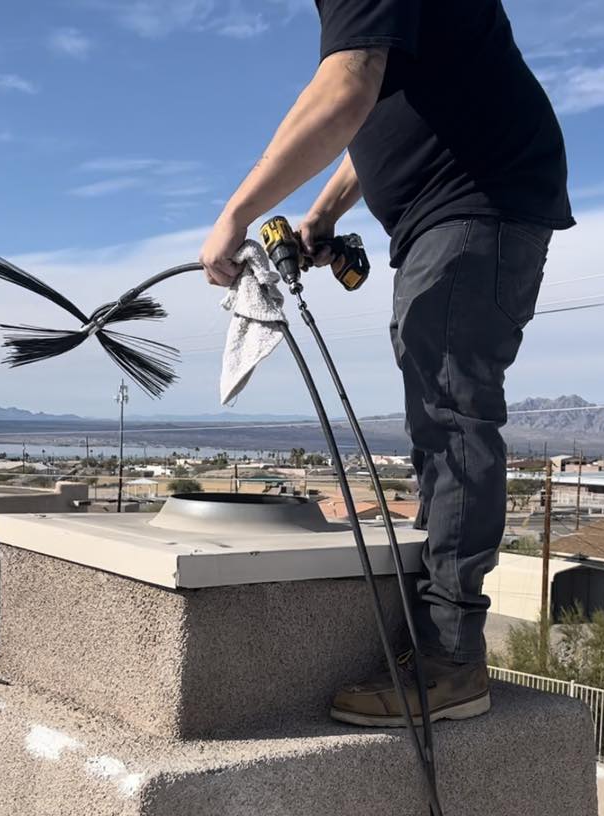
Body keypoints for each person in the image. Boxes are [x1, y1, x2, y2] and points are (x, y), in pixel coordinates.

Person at [199, 1, 574, 728]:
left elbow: (345, 91)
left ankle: (450, 661)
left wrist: (237, 212)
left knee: (449, 407)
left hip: (477, 204)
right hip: (458, 208)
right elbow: (381, 111)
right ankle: (439, 642)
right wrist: (324, 213)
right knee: (435, 401)